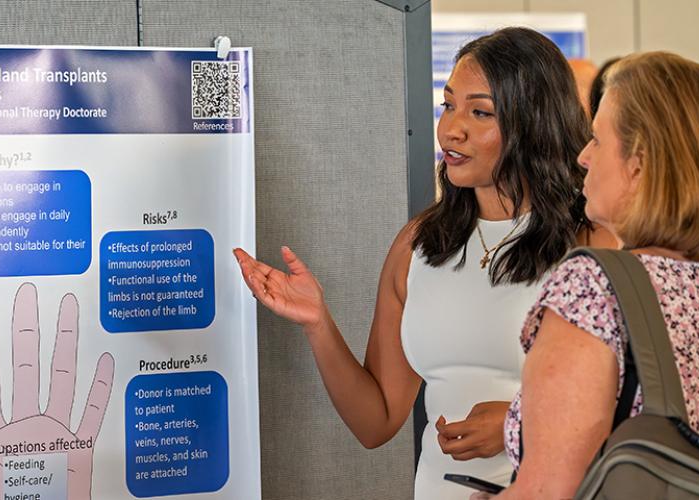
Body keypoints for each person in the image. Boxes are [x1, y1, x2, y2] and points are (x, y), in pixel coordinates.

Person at [233, 27, 613, 498]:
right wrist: (318, 323)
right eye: (448, 105)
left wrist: (524, 422)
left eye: (480, 112)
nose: (451, 128)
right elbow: (377, 421)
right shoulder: (420, 244)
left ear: (533, 123)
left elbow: (645, 406)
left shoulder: (592, 245)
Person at [492, 52, 699, 499]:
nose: (584, 156)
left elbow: (548, 492)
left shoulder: (594, 289)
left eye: (597, 139)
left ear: (639, 164)